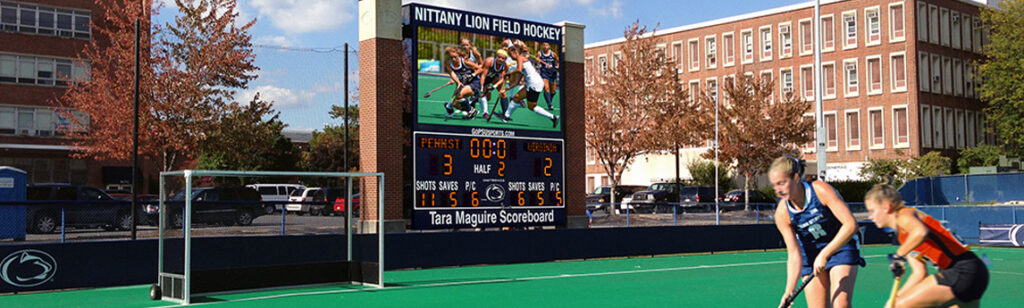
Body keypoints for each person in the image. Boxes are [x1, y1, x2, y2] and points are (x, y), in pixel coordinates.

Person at [864, 184, 989, 308]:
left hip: (962, 270)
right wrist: (894, 299)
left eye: (872, 211)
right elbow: (919, 273)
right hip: (972, 273)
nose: (870, 217)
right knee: (897, 304)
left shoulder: (904, 215)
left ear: (886, 207)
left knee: (900, 306)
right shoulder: (905, 238)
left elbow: (920, 232)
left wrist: (898, 255)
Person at [770, 156, 864, 308]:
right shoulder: (782, 213)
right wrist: (789, 290)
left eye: (782, 183)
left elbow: (851, 225)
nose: (778, 190)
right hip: (811, 255)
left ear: (796, 177)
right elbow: (794, 254)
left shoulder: (820, 190)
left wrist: (825, 254)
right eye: (775, 185)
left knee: (840, 304)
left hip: (841, 247)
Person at [495, 45, 559, 128]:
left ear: (515, 52)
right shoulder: (520, 62)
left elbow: (519, 70)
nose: (510, 57)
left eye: (510, 55)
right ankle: (506, 117)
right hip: (531, 83)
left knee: (532, 107)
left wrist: (509, 73)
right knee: (516, 97)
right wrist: (505, 89)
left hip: (534, 84)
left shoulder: (520, 58)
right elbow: (516, 82)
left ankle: (553, 117)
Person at [442, 46, 480, 118]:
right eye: (451, 57)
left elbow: (480, 69)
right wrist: (458, 82)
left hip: (475, 84)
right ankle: (471, 110)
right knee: (455, 103)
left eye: (455, 57)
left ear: (458, 54)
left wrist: (472, 75)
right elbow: (452, 74)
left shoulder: (465, 62)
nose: (453, 59)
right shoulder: (448, 64)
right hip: (463, 84)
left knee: (459, 95)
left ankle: (470, 110)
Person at [536, 42, 559, 110]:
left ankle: (549, 99)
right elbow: (535, 63)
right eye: (544, 45)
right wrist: (537, 61)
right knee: (546, 88)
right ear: (542, 46)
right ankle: (549, 104)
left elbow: (558, 61)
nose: (545, 47)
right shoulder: (539, 53)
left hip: (552, 73)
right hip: (544, 73)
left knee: (553, 91)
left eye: (546, 45)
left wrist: (557, 66)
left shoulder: (553, 54)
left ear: (549, 46)